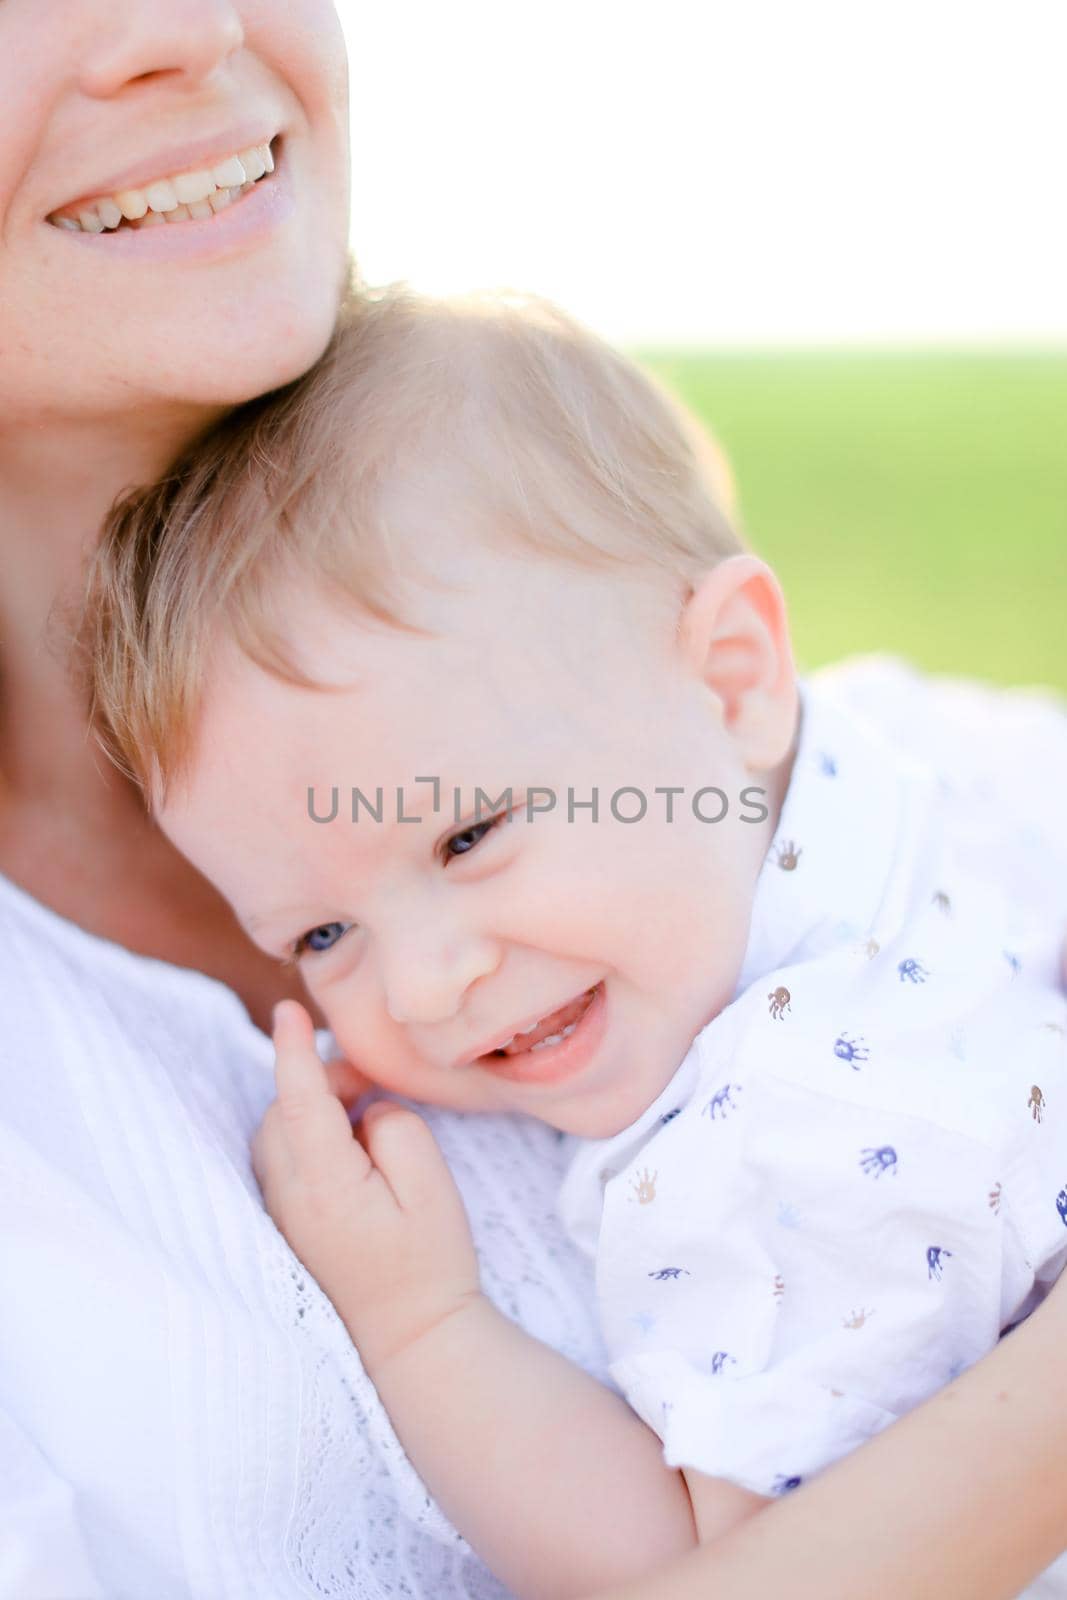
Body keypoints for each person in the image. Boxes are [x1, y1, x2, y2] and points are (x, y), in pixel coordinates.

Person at [79, 287, 1067, 1599]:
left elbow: (702, 1569)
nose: (430, 983)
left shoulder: (776, 1141)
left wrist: (421, 1323)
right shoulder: (908, 751)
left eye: (468, 834)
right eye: (323, 933)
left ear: (729, 678)